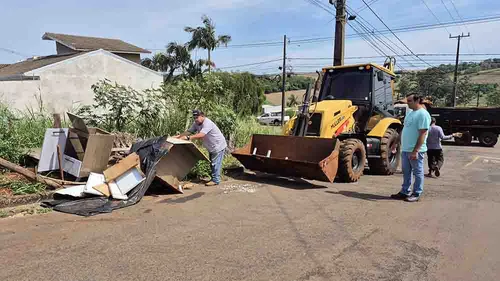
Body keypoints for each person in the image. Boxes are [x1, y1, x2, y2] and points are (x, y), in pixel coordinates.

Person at [391, 93, 432, 202]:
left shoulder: (423, 114)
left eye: (409, 101)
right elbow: (404, 130)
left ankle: (416, 193)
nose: (407, 103)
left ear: (417, 100)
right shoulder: (410, 113)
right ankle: (405, 191)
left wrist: (416, 150)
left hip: (415, 150)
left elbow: (423, 133)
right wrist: (395, 142)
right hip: (406, 149)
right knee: (406, 172)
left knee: (417, 172)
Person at [175, 110, 227, 186]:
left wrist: (188, 138)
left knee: (215, 163)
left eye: (197, 117)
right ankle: (214, 178)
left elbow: (201, 135)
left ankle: (216, 180)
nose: (196, 119)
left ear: (203, 116)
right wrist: (178, 137)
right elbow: (189, 131)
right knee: (212, 163)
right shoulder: (196, 123)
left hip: (218, 145)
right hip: (211, 146)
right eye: (194, 117)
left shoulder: (207, 123)